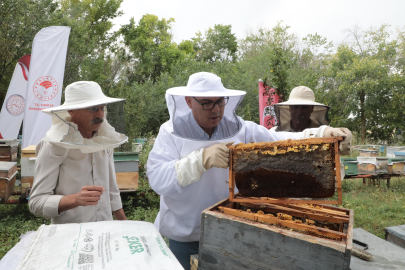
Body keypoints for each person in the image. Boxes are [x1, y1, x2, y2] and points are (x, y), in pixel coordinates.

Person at [146, 72, 352, 270]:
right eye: (206, 103)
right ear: (189, 101)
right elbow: (157, 178)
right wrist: (201, 159)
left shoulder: (240, 128)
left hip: (232, 229)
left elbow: (279, 141)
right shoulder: (170, 132)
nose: (216, 109)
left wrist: (322, 134)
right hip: (186, 235)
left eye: (220, 101)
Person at [29, 81, 128, 224]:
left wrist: (125, 225)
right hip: (69, 237)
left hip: (105, 231)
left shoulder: (106, 141)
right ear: (72, 111)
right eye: (93, 108)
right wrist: (75, 199)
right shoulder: (54, 145)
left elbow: (112, 191)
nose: (100, 114)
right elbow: (36, 202)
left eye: (102, 108)